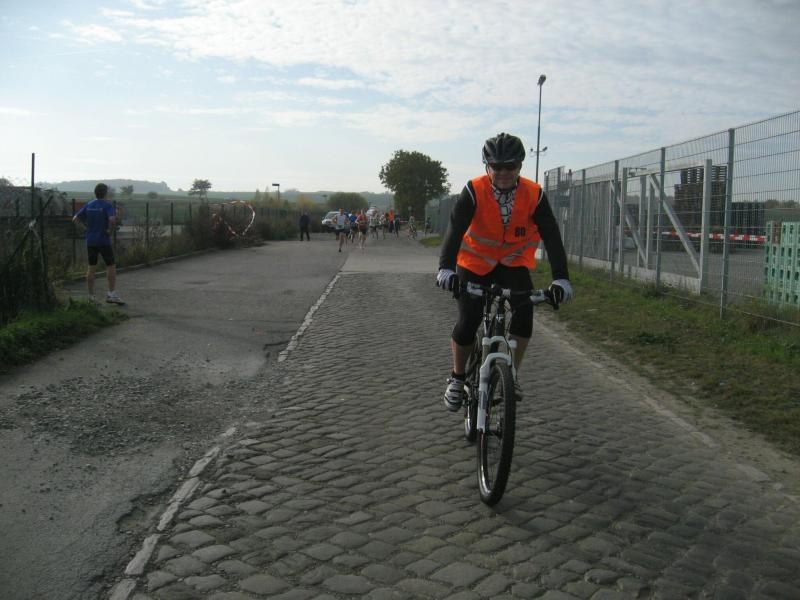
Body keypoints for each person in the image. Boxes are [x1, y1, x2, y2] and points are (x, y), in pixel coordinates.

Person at [435, 132, 572, 411]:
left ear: (520, 165)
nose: (503, 172)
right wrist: (446, 269)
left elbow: (551, 235)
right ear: (487, 166)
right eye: (496, 166)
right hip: (474, 263)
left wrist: (561, 278)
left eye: (510, 166)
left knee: (524, 312)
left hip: (512, 263)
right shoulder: (474, 190)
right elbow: (455, 229)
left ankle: (512, 373)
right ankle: (458, 377)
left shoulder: (534, 194)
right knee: (469, 318)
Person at [72, 183, 125, 305]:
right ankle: (111, 294)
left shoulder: (89, 205)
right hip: (103, 240)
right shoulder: (107, 205)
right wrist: (110, 231)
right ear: (105, 193)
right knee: (111, 266)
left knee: (91, 267)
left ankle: (91, 297)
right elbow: (112, 220)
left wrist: (85, 229)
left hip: (91, 241)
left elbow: (75, 219)